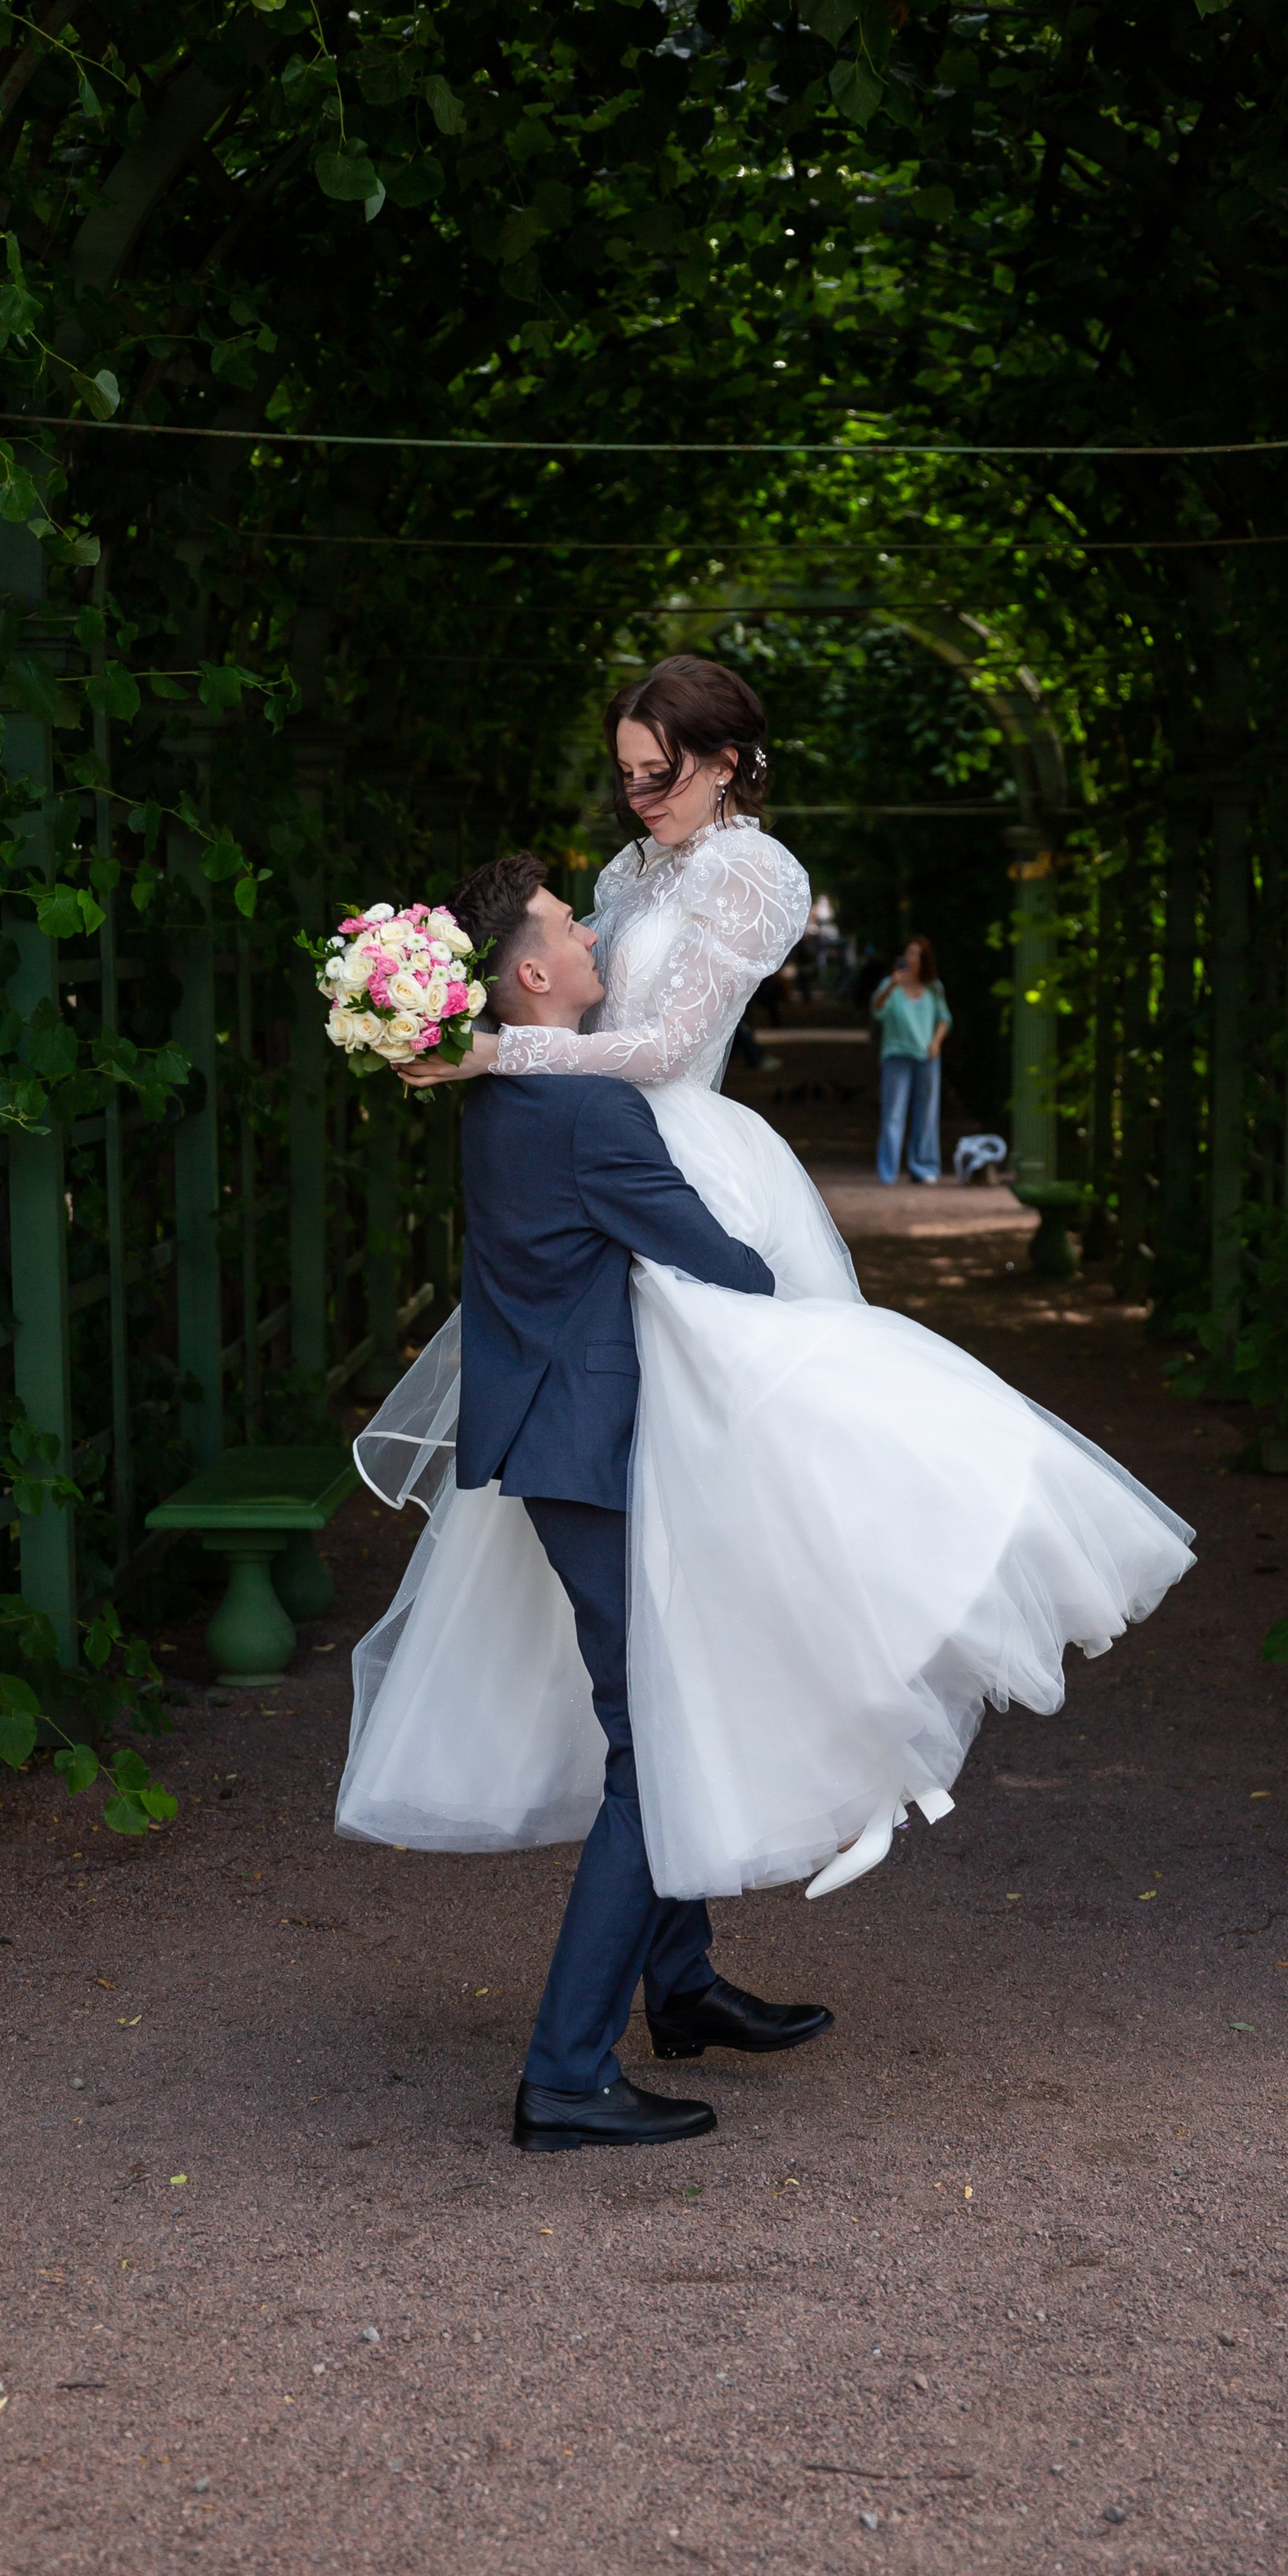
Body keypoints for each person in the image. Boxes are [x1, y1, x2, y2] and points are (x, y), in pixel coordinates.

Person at [342, 653, 1192, 1952]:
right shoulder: (627, 877)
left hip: (683, 1153)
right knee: (666, 1539)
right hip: (602, 1156)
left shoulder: (757, 869)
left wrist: (492, 1050)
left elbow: (671, 1047)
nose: (638, 800)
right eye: (624, 777)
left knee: (768, 1491)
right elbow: (567, 986)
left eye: (660, 774)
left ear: (728, 759)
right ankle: (679, 1971)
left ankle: (852, 1739)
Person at [356, 855, 832, 2154]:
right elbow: (716, 1262)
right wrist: (786, 1275)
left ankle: (677, 1983)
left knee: (650, 1708)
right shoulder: (588, 1113)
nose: (594, 934)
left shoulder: (510, 1099)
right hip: (587, 1446)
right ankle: (566, 2069)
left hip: (552, 1433)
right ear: (529, 975)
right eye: (571, 927)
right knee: (655, 1742)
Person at [871, 936, 951, 1185]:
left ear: (924, 960)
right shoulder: (890, 984)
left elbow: (944, 1018)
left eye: (915, 954)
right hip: (897, 1054)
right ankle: (888, 1171)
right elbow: (877, 1010)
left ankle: (924, 1167)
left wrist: (936, 1042)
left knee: (926, 1114)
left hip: (926, 1057)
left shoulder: (933, 987)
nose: (910, 958)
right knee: (893, 1115)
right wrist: (891, 986)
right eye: (908, 953)